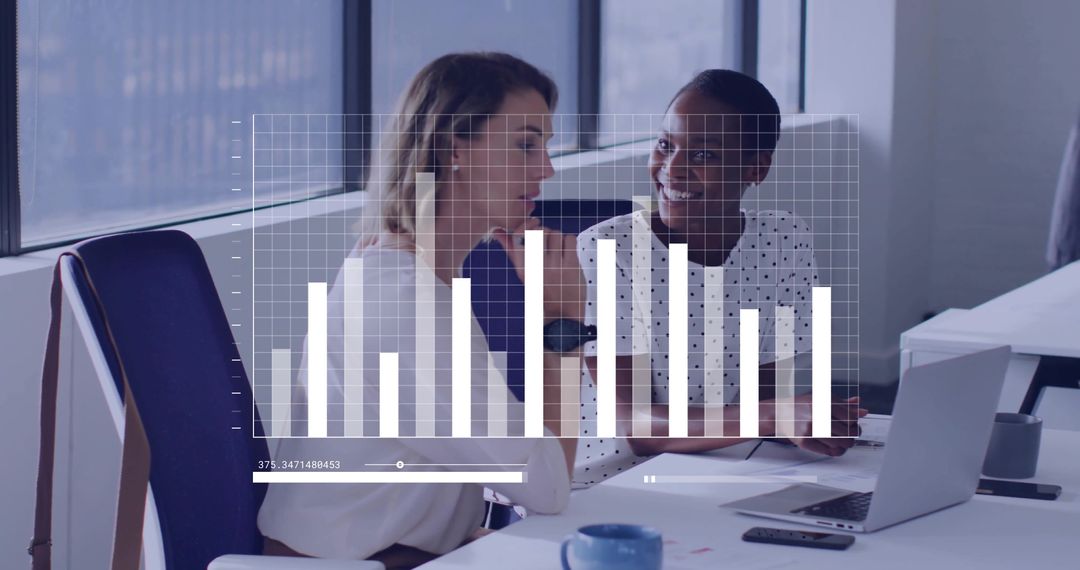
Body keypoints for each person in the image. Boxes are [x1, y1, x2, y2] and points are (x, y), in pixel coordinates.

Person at [257, 52, 584, 568]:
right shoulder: (409, 304)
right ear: (455, 147)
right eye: (525, 145)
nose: (546, 168)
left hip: (394, 552)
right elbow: (549, 489)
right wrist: (560, 323)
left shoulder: (395, 263)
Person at [572, 70, 865, 486]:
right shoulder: (610, 251)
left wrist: (812, 422)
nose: (671, 169)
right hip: (606, 483)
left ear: (756, 169)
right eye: (664, 145)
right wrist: (771, 416)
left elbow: (764, 396)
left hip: (716, 465)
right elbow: (632, 426)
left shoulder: (784, 240)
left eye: (704, 155)